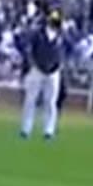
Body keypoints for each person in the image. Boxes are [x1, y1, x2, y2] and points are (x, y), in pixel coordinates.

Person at [16, 10, 66, 140]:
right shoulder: (38, 34)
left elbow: (66, 50)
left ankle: (49, 130)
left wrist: (60, 64)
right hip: (37, 69)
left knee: (50, 102)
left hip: (54, 71)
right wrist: (33, 64)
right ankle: (26, 129)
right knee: (30, 100)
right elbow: (29, 49)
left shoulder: (61, 36)